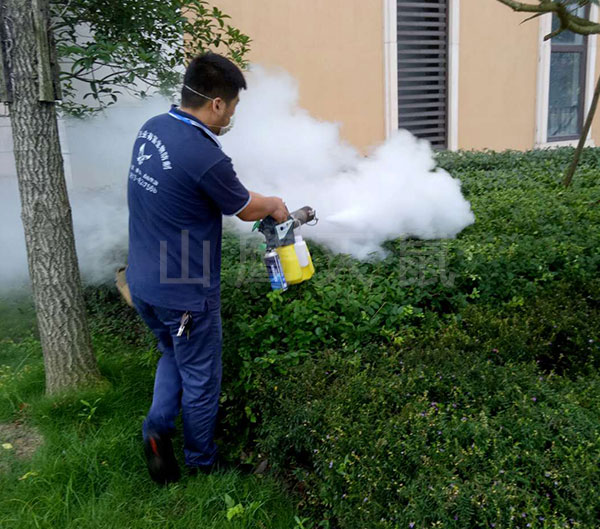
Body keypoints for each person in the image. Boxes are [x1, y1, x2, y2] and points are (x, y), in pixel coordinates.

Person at [125, 52, 288, 484]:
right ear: (216, 103)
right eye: (232, 107)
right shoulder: (204, 154)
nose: (231, 116)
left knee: (172, 353)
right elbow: (246, 208)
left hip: (143, 280)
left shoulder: (153, 128)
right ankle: (203, 463)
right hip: (184, 291)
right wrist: (274, 203)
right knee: (201, 377)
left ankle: (157, 430)